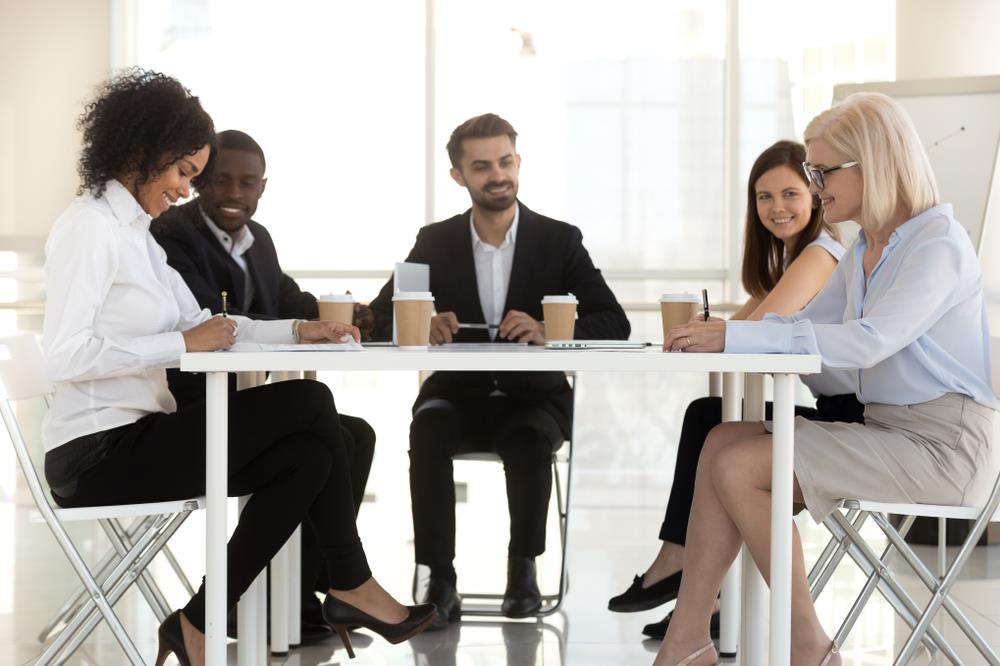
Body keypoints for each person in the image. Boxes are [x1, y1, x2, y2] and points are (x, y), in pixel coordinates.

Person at [41, 69, 435, 666]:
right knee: (309, 404)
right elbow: (65, 356)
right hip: (95, 453)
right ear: (142, 151)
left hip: (140, 434)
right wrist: (179, 346)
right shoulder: (89, 228)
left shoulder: (137, 235)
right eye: (183, 173)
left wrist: (302, 330)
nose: (184, 190)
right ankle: (350, 582)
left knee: (311, 455)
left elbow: (211, 323)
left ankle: (199, 622)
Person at [657, 92, 998, 666]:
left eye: (821, 171)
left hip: (945, 446)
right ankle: (687, 642)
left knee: (739, 464)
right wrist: (738, 334)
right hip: (888, 430)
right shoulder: (868, 245)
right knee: (719, 441)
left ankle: (807, 648)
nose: (815, 187)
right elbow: (804, 327)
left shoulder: (938, 244)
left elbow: (869, 341)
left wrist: (738, 337)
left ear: (874, 163)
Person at [369, 113, 630, 628]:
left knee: (529, 437)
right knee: (428, 429)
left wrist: (548, 329)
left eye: (505, 162)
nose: (498, 175)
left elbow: (614, 322)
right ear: (458, 175)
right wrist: (421, 325)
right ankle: (438, 576)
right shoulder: (434, 241)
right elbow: (380, 319)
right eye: (482, 165)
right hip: (456, 397)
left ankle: (523, 569)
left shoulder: (559, 240)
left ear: (519, 162)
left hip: (536, 399)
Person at [607, 140, 864, 639]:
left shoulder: (820, 254)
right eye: (764, 197)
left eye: (790, 193)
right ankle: (709, 603)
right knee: (711, 417)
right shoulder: (791, 262)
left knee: (710, 418)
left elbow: (758, 328)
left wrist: (716, 332)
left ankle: (686, 572)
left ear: (815, 193)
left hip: (853, 422)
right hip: (835, 412)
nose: (777, 208)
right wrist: (704, 330)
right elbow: (742, 328)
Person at [151, 129, 375, 642]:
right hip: (189, 404)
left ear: (262, 187)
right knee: (324, 433)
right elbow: (212, 319)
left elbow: (287, 303)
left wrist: (356, 316)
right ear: (200, 182)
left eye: (247, 182)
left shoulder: (260, 240)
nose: (234, 193)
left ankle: (308, 595)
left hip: (239, 398)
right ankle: (293, 596)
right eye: (221, 180)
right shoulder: (173, 235)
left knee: (355, 435)